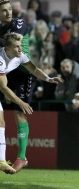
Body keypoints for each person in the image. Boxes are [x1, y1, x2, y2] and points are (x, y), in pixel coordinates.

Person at [0, 33, 63, 174]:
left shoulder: (20, 55)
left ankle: (2, 161)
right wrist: (21, 102)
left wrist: (48, 79)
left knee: (1, 122)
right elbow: (3, 87)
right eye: (17, 47)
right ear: (7, 49)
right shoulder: (0, 60)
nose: (20, 49)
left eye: (20, 45)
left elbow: (33, 69)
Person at [0, 0, 37, 173]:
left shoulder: (19, 23)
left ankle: (21, 157)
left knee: (19, 114)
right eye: (4, 10)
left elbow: (12, 40)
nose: (8, 13)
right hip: (5, 71)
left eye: (9, 9)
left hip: (22, 73)